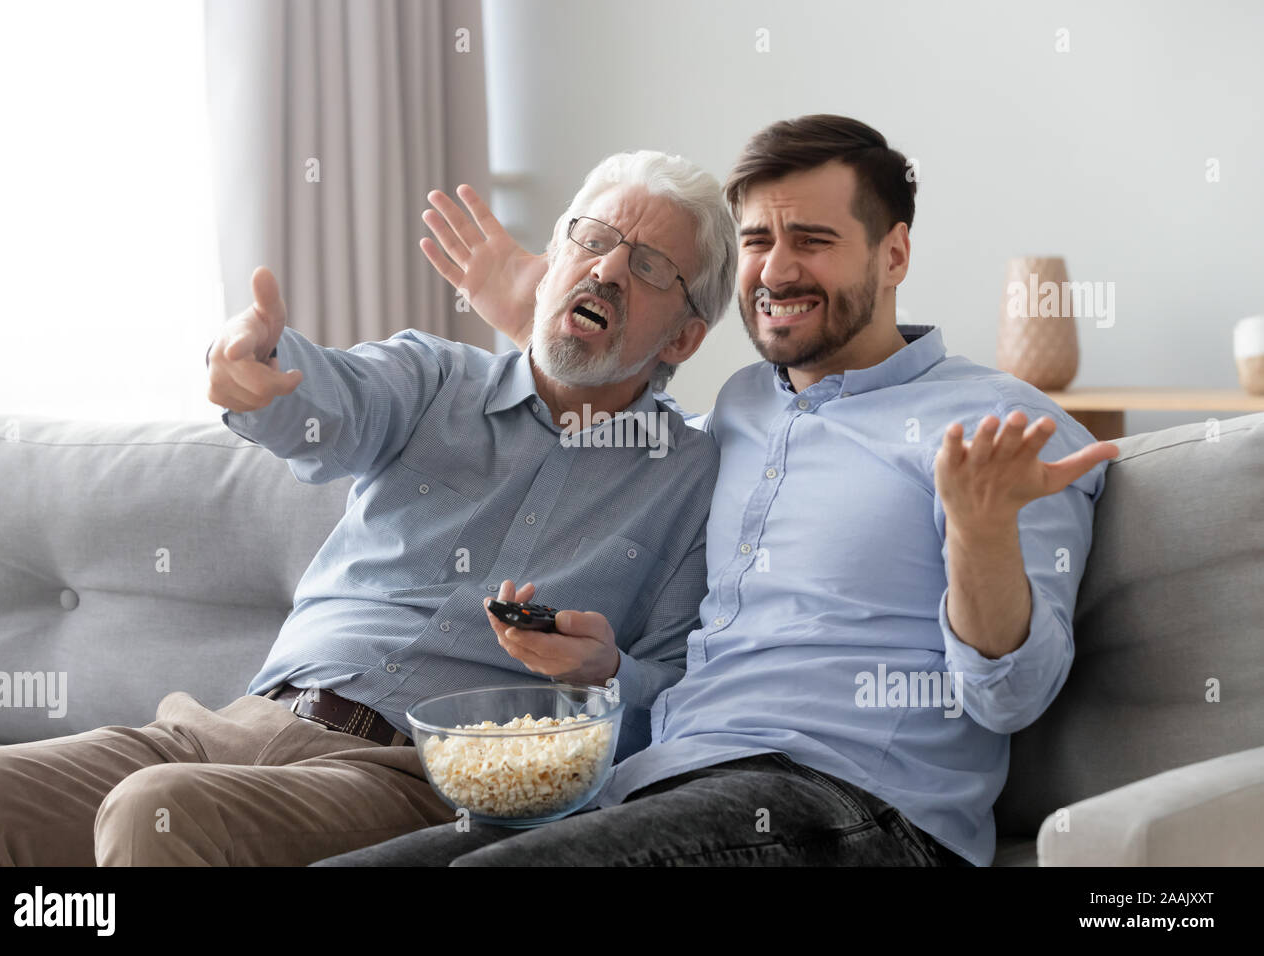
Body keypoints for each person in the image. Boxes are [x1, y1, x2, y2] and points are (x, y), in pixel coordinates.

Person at [313, 114, 1119, 868]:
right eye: (760, 239)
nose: (776, 268)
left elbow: (1013, 698)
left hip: (858, 807)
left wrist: (981, 536)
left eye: (813, 240)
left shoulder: (1003, 429)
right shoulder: (740, 409)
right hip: (659, 778)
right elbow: (608, 408)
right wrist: (548, 323)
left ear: (895, 254)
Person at [0, 149, 737, 866]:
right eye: (591, 238)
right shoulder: (435, 379)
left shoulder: (690, 480)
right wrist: (256, 365)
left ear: (684, 338)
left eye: (646, 266)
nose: (604, 268)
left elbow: (673, 697)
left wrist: (605, 674)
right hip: (234, 726)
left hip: (414, 780)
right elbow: (327, 403)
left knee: (157, 811)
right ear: (553, 259)